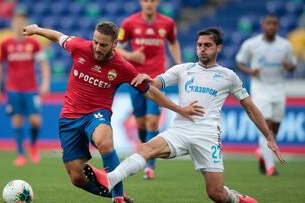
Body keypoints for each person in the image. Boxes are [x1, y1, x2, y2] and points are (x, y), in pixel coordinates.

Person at [83, 27, 286, 203]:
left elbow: (250, 107)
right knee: (146, 147)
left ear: (218, 48)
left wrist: (268, 136)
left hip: (207, 135)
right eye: (199, 45)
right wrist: (147, 78)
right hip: (180, 129)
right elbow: (156, 82)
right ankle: (110, 180)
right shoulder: (184, 69)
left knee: (216, 194)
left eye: (207, 45)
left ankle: (236, 198)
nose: (202, 49)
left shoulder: (229, 76)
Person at [21, 21, 203, 203]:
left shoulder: (122, 67)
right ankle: (119, 195)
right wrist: (36, 30)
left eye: (104, 45)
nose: (98, 48)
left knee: (105, 141)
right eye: (96, 42)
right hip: (69, 118)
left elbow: (150, 91)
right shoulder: (79, 46)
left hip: (96, 115)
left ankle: (117, 199)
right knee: (77, 178)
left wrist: (179, 109)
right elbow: (56, 35)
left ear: (115, 45)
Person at [117, 0, 182, 180]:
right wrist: (131, 56)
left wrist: (179, 64)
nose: (149, 3)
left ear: (158, 2)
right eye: (146, 0)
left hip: (156, 80)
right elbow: (117, 49)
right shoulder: (129, 23)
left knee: (153, 122)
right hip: (135, 79)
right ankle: (144, 150)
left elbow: (173, 43)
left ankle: (150, 165)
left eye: (153, 0)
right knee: (141, 124)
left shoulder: (167, 23)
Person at [236, 14, 296, 176]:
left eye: (274, 24)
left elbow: (293, 66)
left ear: (277, 26)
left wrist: (288, 66)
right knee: (266, 127)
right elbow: (239, 62)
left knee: (275, 127)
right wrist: (250, 71)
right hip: (260, 89)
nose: (271, 26)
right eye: (269, 23)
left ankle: (262, 151)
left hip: (278, 89)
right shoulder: (252, 44)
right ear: (263, 25)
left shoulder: (285, 45)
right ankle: (270, 167)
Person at [0, 11, 50, 167]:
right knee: (17, 120)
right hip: (13, 88)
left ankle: (33, 146)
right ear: (12, 24)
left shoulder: (33, 43)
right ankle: (20, 155)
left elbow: (43, 63)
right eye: (16, 22)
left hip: (31, 88)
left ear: (25, 24)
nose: (18, 25)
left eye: (21, 22)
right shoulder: (5, 44)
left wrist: (45, 82)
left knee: (35, 121)